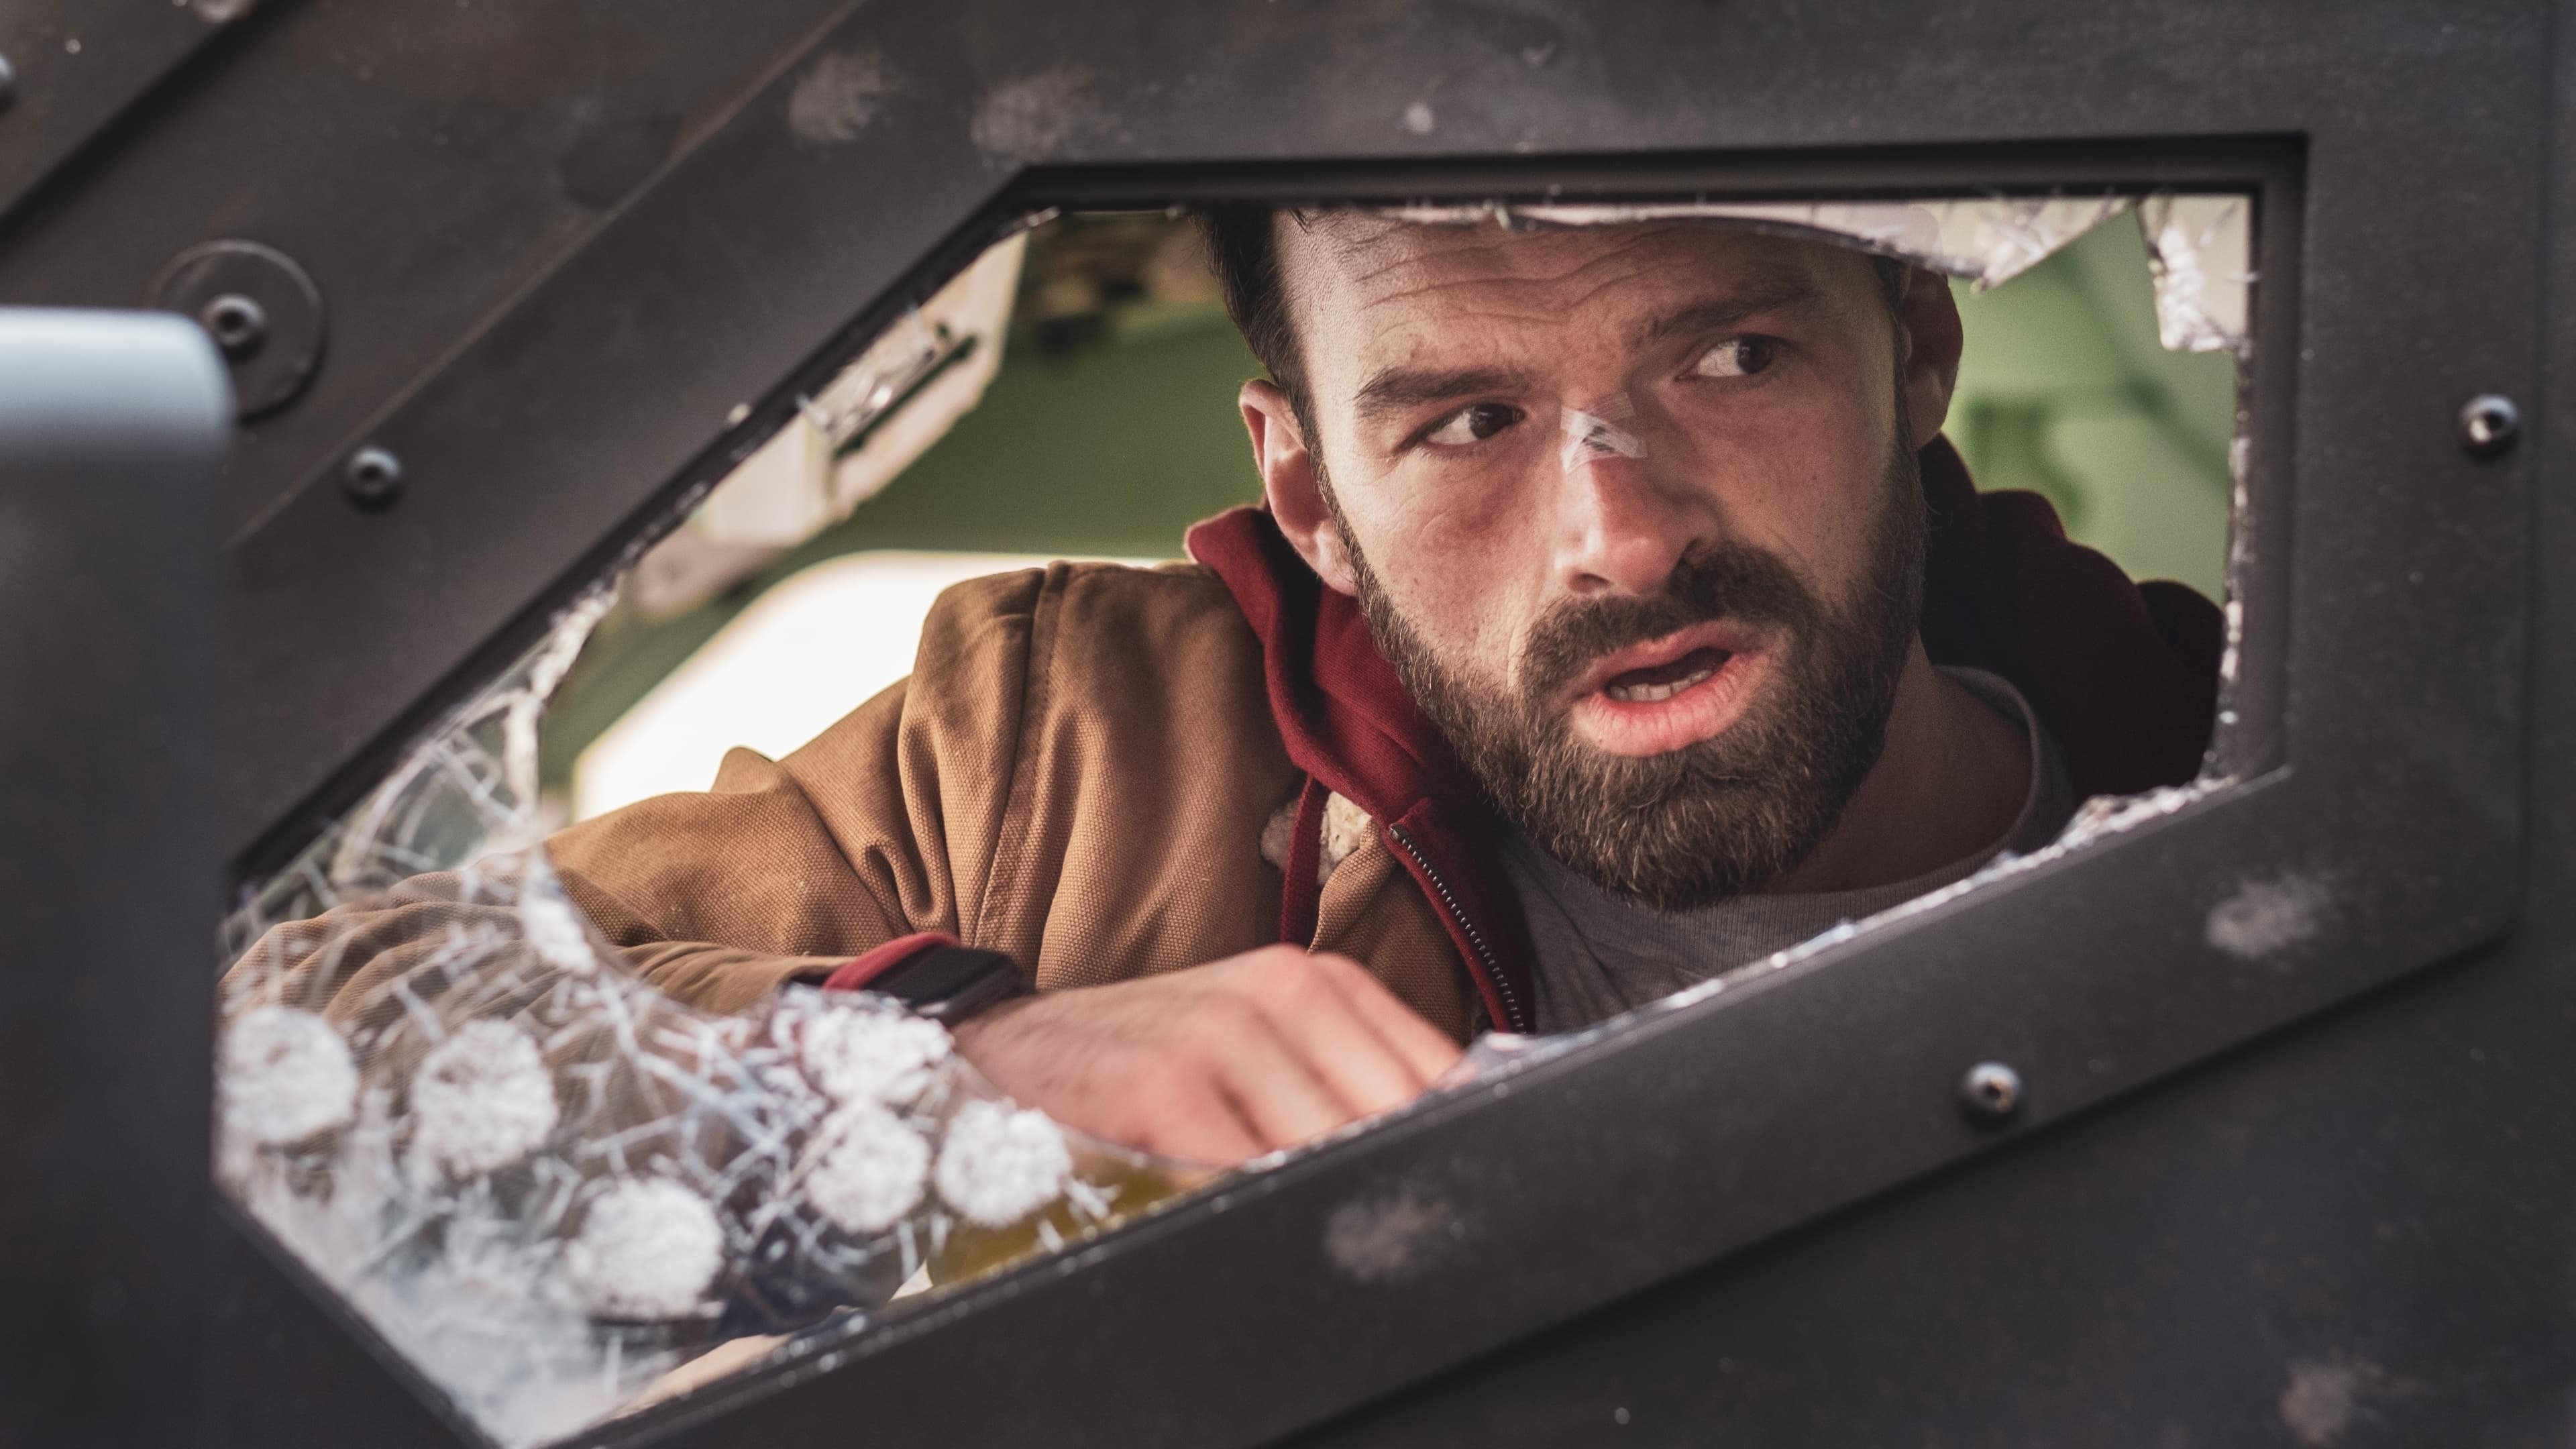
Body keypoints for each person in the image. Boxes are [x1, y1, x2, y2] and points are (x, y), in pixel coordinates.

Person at [260, 211, 2220, 1169]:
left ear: (1919, 349)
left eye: (1730, 366)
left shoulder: (2285, 776)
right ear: (1310, 491)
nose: (1616, 540)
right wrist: (947, 1065)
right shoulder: (1057, 753)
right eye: (1466, 420)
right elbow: (304, 1035)